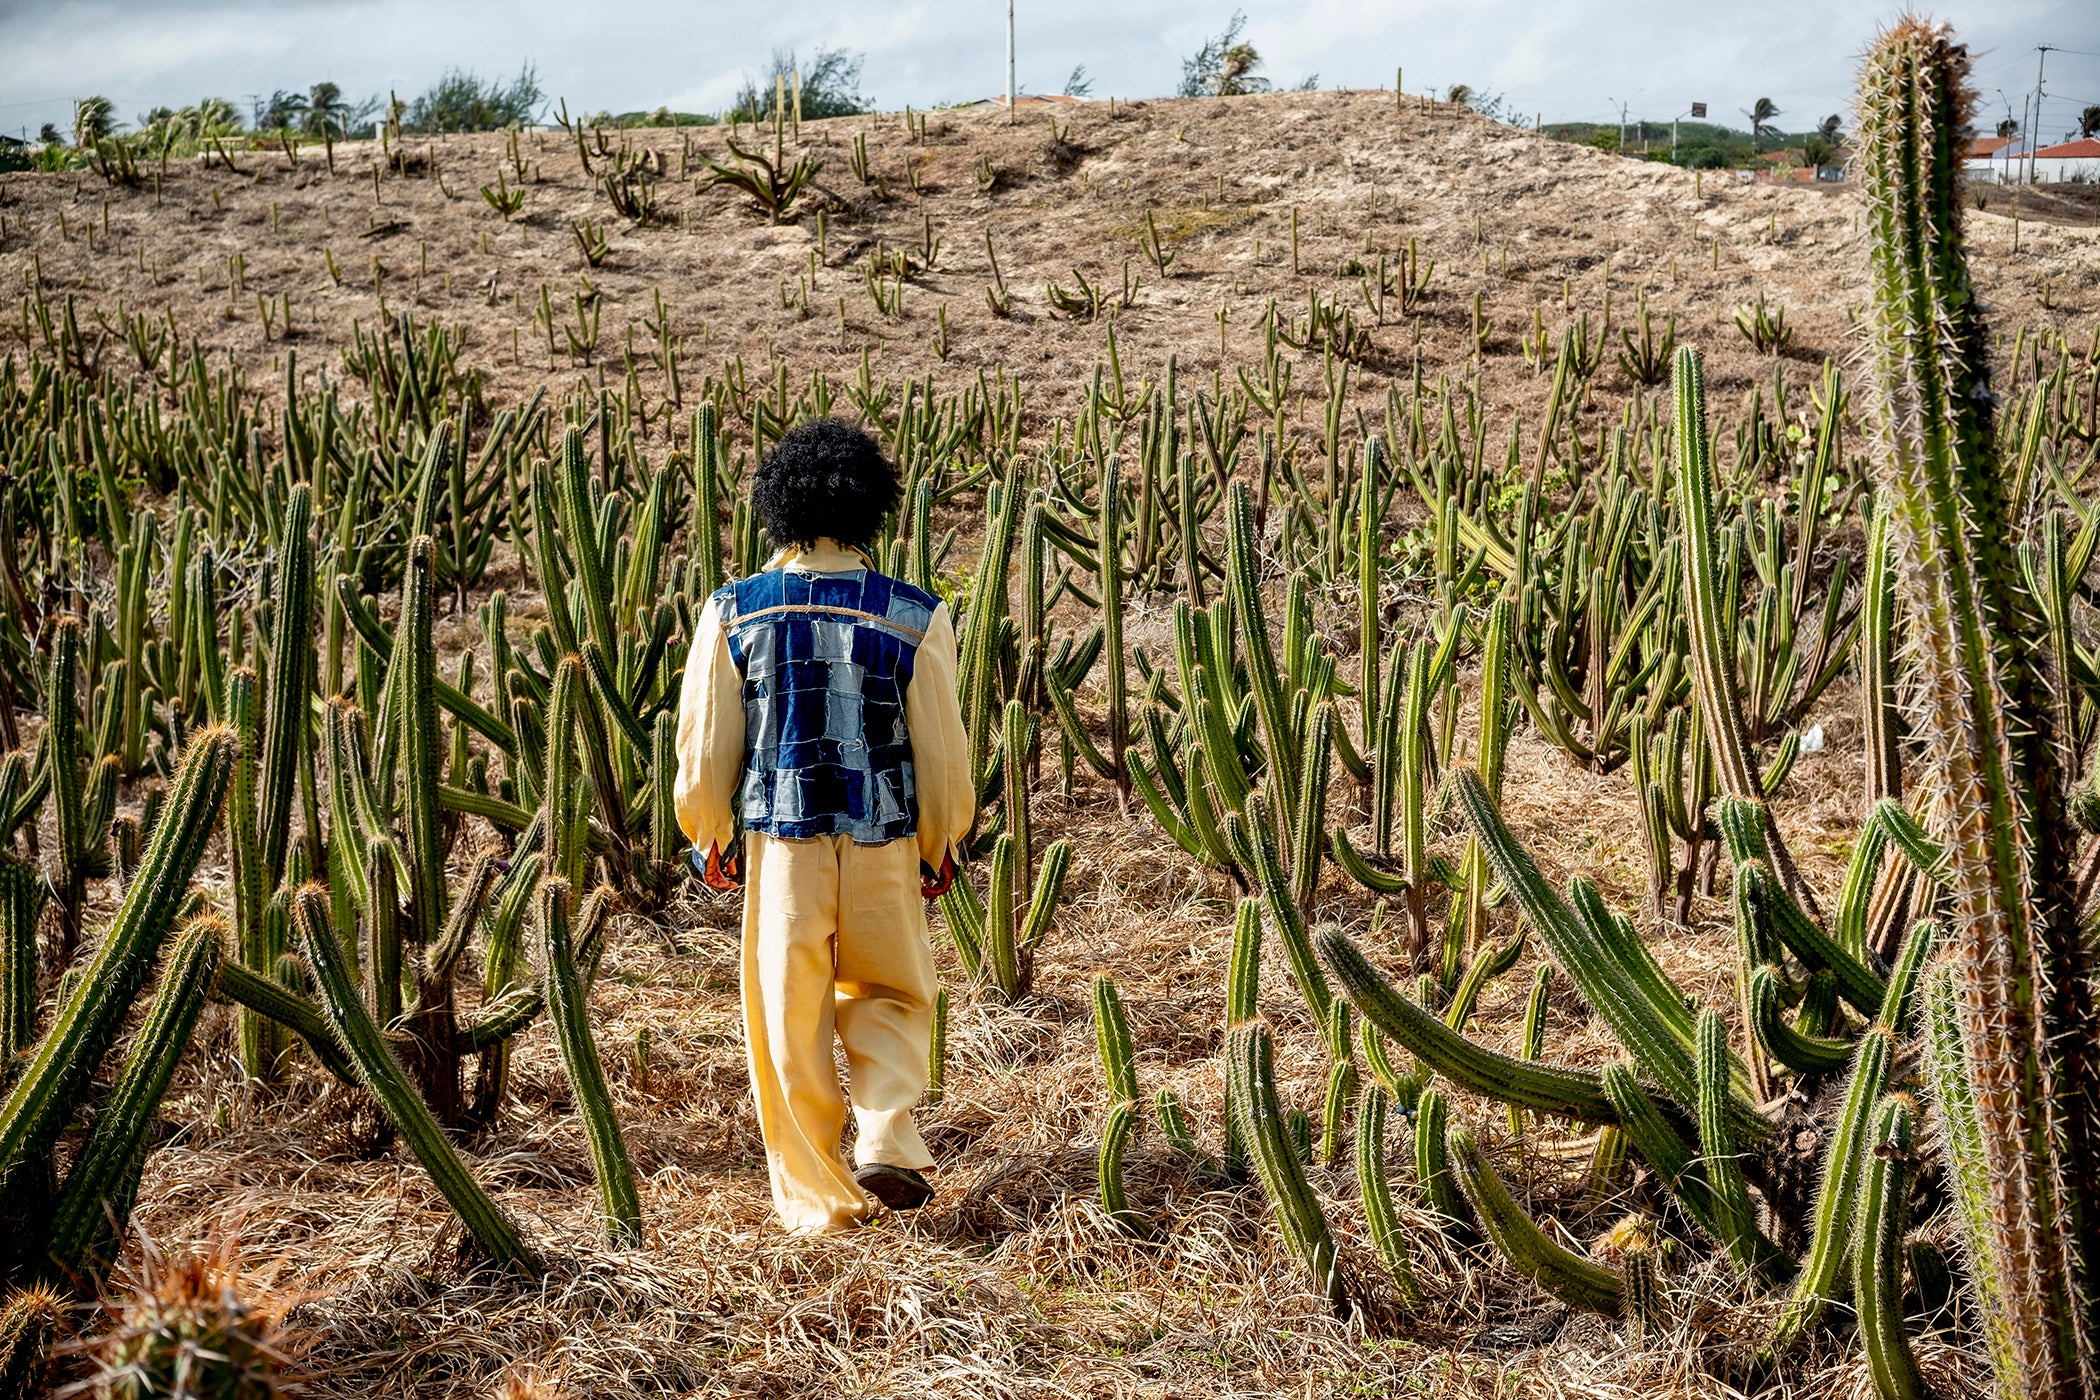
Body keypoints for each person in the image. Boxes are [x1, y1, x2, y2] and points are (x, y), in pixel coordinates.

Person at [674, 418, 972, 1235]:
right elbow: (941, 749)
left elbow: (705, 744)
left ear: (779, 506)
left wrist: (710, 833)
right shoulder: (915, 613)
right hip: (885, 839)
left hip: (783, 848)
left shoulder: (735, 611)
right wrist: (943, 840)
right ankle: (887, 1132)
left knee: (787, 1012)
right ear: (872, 507)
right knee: (893, 992)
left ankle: (820, 1201)